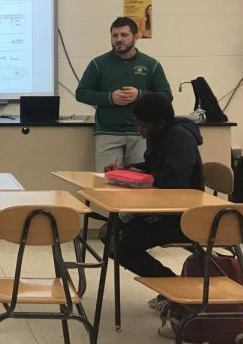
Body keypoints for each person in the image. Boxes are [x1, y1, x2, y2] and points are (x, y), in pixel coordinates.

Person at [103, 93, 204, 287]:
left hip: (183, 216)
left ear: (161, 124)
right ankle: (172, 289)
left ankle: (174, 289)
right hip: (165, 209)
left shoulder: (180, 138)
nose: (140, 132)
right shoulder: (157, 135)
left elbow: (174, 179)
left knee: (121, 246)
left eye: (144, 127)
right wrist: (127, 170)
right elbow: (153, 166)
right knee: (111, 233)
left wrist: (141, 177)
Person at [76, 16, 171, 171]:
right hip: (108, 133)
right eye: (115, 35)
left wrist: (140, 95)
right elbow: (81, 93)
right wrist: (109, 98)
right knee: (106, 183)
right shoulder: (98, 64)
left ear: (135, 36)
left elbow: (166, 96)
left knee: (140, 183)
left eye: (124, 35)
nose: (119, 39)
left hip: (141, 134)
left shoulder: (151, 65)